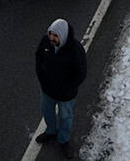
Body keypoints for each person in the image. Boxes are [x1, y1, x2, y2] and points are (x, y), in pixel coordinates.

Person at [35, 19, 87, 159]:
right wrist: (42, 78)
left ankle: (63, 140)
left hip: (65, 94)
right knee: (46, 111)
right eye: (51, 34)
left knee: (65, 117)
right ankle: (51, 131)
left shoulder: (76, 50)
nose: (52, 38)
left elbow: (81, 73)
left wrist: (67, 86)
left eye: (56, 35)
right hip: (47, 90)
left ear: (63, 36)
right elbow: (38, 57)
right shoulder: (46, 42)